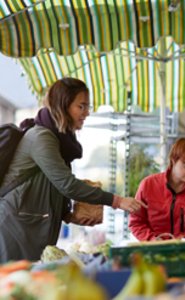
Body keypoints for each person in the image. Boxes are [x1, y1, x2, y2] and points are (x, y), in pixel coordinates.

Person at [0, 78, 146, 262]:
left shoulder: (57, 139)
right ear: (63, 105)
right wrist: (117, 201)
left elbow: (50, 186)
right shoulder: (41, 137)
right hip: (15, 231)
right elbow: (66, 184)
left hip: (29, 228)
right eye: (81, 106)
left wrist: (69, 215)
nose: (87, 113)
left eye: (88, 106)